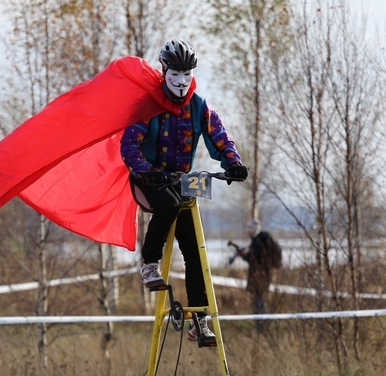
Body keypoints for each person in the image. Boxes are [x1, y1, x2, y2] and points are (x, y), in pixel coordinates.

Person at [120, 39, 248, 344]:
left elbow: (219, 136)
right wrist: (143, 169)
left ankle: (199, 322)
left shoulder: (198, 106)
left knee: (195, 251)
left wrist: (233, 163)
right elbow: (128, 144)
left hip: (180, 181)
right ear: (164, 71)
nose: (180, 82)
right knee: (167, 205)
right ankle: (148, 264)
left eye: (186, 75)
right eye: (175, 75)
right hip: (148, 180)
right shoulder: (148, 106)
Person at [234, 218, 280, 314]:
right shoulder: (261, 240)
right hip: (263, 275)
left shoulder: (257, 243)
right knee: (259, 299)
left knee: (259, 300)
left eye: (248, 230)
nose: (247, 232)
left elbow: (255, 260)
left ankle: (262, 323)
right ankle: (262, 322)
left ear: (252, 230)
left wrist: (244, 255)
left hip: (259, 276)